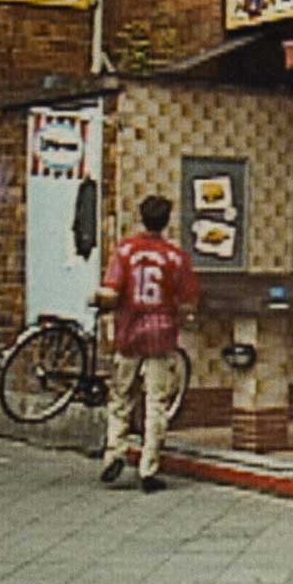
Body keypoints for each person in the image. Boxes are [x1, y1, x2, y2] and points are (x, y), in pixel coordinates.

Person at [91, 195, 200, 493]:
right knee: (156, 403)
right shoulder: (176, 257)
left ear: (142, 217)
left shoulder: (125, 251)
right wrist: (183, 316)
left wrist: (98, 300)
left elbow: (112, 293)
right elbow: (188, 300)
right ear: (166, 221)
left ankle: (114, 452)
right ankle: (148, 468)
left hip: (129, 333)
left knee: (122, 397)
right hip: (162, 334)